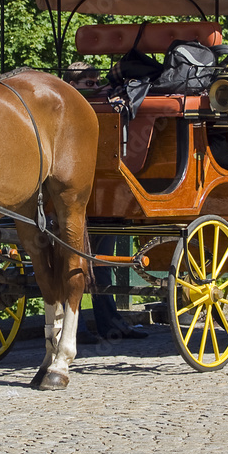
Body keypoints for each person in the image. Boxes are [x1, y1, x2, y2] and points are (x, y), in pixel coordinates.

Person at [63, 62, 148, 343]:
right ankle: (83, 325)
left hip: (108, 194)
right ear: (71, 85)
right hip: (80, 194)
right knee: (83, 260)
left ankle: (108, 321)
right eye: (86, 83)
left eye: (95, 82)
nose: (94, 87)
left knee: (102, 262)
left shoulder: (110, 104)